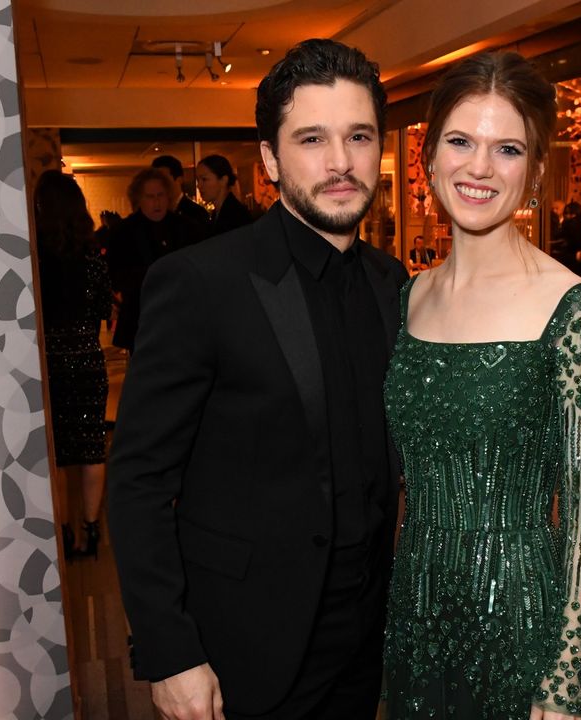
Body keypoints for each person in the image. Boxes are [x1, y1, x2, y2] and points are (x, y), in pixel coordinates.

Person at [107, 39, 406, 720]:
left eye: (358, 136)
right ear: (270, 159)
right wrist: (170, 650)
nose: (339, 162)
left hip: (365, 640)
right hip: (245, 643)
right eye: (311, 139)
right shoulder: (200, 283)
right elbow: (140, 479)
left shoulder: (392, 286)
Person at [384, 51, 581, 720]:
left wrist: (569, 675)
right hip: (416, 613)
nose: (479, 167)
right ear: (428, 157)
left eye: (506, 148)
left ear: (536, 170)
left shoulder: (573, 308)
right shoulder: (410, 298)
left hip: (521, 622)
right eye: (460, 141)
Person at [33, 170, 112, 558]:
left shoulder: (33, 258)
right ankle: (93, 531)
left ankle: (64, 533)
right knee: (92, 449)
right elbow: (100, 309)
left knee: (59, 455)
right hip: (86, 357)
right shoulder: (91, 254)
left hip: (49, 362)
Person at [105, 167, 193, 352]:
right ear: (139, 199)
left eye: (160, 195)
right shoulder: (123, 232)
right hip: (141, 318)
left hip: (181, 318)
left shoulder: (184, 227)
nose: (157, 202)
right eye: (150, 197)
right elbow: (116, 275)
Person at [152, 154, 214, 238]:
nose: (159, 186)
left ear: (179, 180)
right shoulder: (155, 213)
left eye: (164, 180)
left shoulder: (196, 213)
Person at [197, 154, 254, 237]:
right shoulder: (217, 214)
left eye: (204, 179)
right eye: (198, 180)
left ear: (223, 180)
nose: (199, 185)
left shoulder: (236, 216)